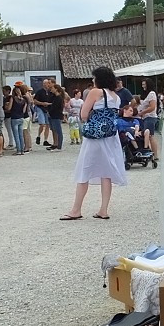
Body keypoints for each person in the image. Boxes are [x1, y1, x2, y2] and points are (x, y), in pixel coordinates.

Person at [62, 66, 127, 221]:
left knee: (84, 169)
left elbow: (83, 115)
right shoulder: (115, 96)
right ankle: (103, 210)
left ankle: (76, 209)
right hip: (110, 137)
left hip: (95, 137)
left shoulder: (95, 92)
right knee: (106, 173)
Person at [137, 79, 159, 156]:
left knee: (150, 135)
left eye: (144, 84)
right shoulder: (146, 94)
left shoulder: (152, 94)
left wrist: (142, 112)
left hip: (150, 117)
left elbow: (152, 107)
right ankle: (151, 153)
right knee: (147, 136)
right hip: (145, 117)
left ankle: (155, 155)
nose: (143, 86)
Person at [4, 84, 28, 155]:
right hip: (21, 117)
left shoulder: (13, 98)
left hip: (14, 118)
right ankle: (22, 150)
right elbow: (24, 111)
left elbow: (9, 108)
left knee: (16, 135)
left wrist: (6, 107)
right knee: (21, 135)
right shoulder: (23, 99)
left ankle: (18, 150)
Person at [32, 78, 53, 146]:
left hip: (47, 109)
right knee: (42, 124)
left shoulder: (51, 92)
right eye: (44, 83)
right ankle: (38, 136)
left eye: (47, 83)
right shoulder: (39, 91)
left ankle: (45, 140)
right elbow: (34, 101)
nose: (46, 85)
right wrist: (42, 103)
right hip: (40, 108)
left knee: (47, 125)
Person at [46, 83, 66, 150]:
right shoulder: (55, 97)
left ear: (56, 89)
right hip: (53, 115)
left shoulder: (58, 98)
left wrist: (50, 111)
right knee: (55, 129)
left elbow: (55, 107)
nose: (51, 89)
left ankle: (59, 145)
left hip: (56, 115)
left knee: (58, 130)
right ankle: (56, 144)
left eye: (52, 88)